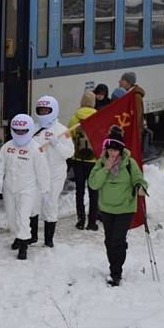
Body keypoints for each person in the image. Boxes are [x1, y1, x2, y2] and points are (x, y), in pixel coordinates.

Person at [87, 127, 148, 287]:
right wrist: (106, 168)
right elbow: (93, 184)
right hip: (107, 208)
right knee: (109, 242)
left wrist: (140, 186)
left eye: (116, 150)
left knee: (117, 240)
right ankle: (114, 266)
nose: (113, 153)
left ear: (121, 151)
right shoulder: (101, 164)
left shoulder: (130, 163)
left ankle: (116, 272)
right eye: (110, 150)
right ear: (106, 149)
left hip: (125, 208)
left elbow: (138, 178)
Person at [0, 114, 50, 259]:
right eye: (16, 131)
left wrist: (44, 190)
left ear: (29, 130)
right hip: (9, 188)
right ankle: (18, 236)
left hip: (27, 189)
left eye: (23, 131)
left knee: (23, 217)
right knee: (12, 219)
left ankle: (23, 245)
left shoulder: (36, 148)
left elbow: (43, 170)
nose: (20, 134)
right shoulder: (7, 147)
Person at [32, 96, 74, 248]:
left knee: (50, 204)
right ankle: (32, 236)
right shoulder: (33, 128)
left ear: (53, 110)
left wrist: (57, 145)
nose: (43, 113)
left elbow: (69, 152)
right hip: (36, 173)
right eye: (41, 110)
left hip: (55, 174)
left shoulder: (63, 131)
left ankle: (48, 239)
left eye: (46, 110)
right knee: (33, 203)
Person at [67, 90, 99, 230]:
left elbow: (68, 138)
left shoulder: (74, 119)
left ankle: (80, 221)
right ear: (93, 103)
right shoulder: (99, 118)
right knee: (94, 192)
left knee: (79, 191)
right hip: (94, 162)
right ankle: (92, 222)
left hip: (78, 160)